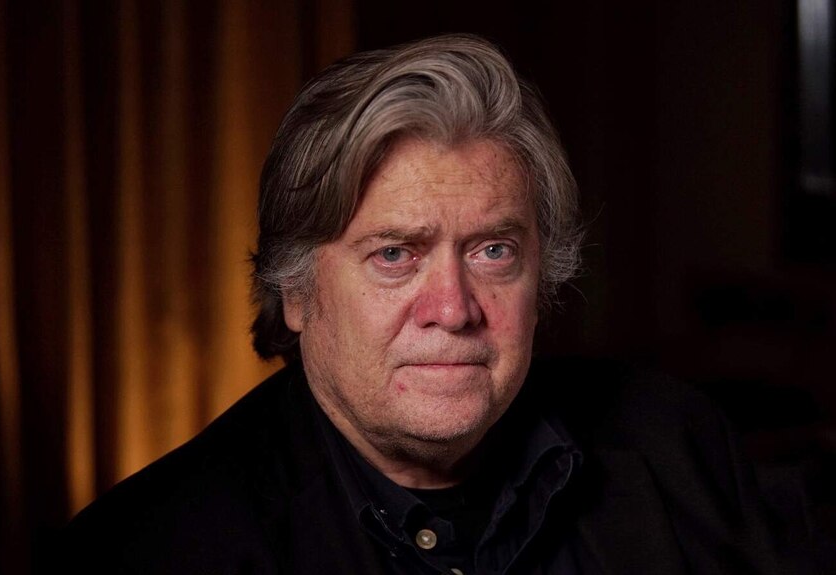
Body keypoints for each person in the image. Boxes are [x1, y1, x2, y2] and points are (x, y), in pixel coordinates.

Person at [60, 34, 793, 574]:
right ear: (295, 289)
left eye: (492, 251)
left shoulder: (678, 446)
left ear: (544, 274)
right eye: (394, 255)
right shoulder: (148, 550)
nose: (454, 307)